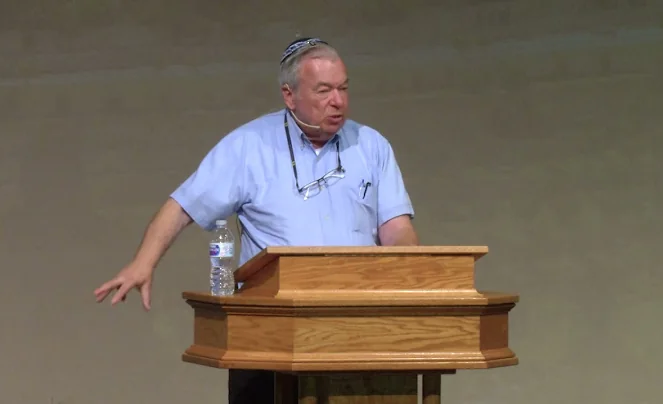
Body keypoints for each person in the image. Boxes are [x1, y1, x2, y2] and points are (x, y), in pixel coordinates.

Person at [93, 37, 419, 404]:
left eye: (343, 88)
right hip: (270, 333)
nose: (338, 101)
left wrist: (411, 280)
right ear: (289, 95)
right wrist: (143, 263)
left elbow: (397, 230)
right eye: (323, 90)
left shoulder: (371, 145)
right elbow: (183, 205)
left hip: (358, 331)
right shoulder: (248, 147)